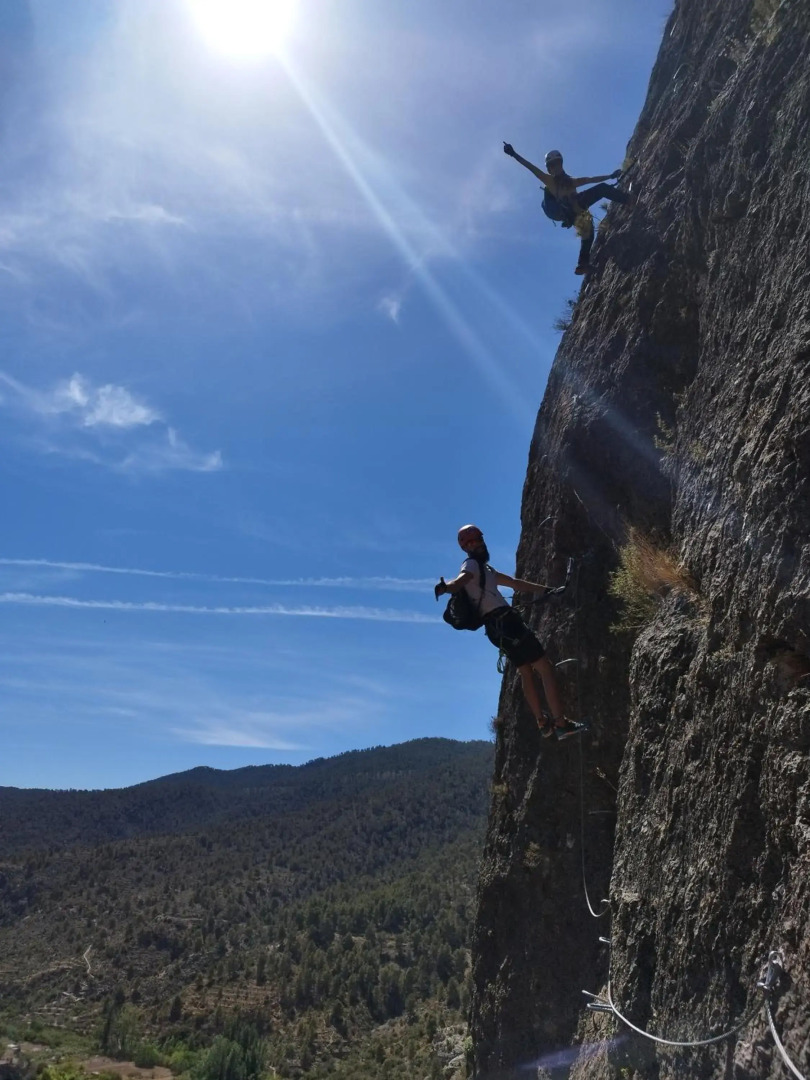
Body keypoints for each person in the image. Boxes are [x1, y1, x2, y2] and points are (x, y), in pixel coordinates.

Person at [434, 524, 585, 740]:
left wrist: (547, 590)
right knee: (544, 667)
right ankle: (561, 724)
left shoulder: (487, 570)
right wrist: (447, 587)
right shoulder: (472, 566)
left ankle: (542, 722)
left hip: (496, 630)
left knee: (525, 670)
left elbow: (515, 583)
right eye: (471, 542)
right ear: (465, 547)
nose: (476, 544)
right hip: (507, 623)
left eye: (477, 539)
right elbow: (461, 580)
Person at [503, 143, 634, 275]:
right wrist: (514, 154)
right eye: (553, 165)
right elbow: (531, 167)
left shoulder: (570, 181)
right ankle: (629, 200)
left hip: (575, 214)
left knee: (588, 234)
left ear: (561, 164)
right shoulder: (550, 182)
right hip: (573, 211)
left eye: (558, 164)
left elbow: (590, 180)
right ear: (550, 169)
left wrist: (610, 176)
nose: (556, 167)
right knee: (602, 190)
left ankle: (582, 265)